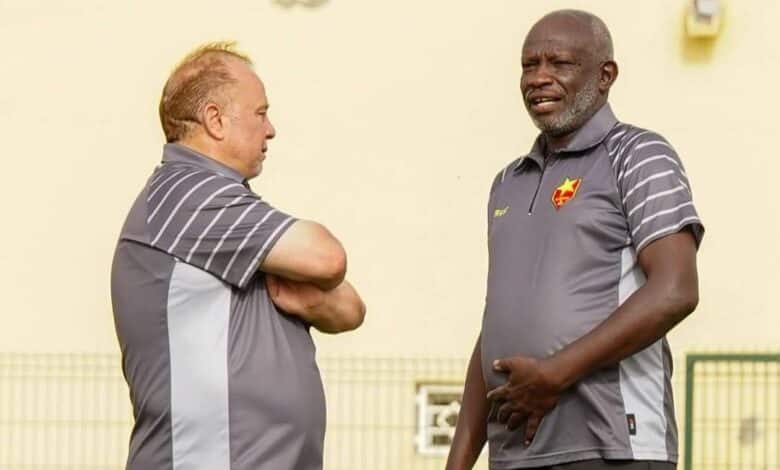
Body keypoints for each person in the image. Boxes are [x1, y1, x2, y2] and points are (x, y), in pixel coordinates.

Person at [446, 10, 703, 470]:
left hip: (612, 446)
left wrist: (554, 374)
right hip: (516, 454)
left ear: (605, 76)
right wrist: (458, 462)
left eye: (559, 63)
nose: (538, 78)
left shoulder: (638, 155)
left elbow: (676, 290)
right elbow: (495, 328)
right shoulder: (508, 182)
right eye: (529, 65)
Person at [110, 42, 365, 470]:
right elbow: (327, 258)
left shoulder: (226, 208)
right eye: (260, 113)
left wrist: (310, 300)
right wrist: (314, 289)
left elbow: (350, 309)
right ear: (215, 120)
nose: (271, 129)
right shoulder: (187, 194)